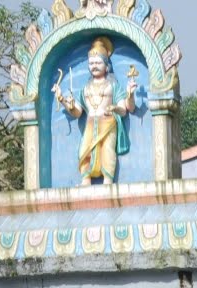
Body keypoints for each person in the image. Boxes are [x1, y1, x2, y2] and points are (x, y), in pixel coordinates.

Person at [52, 36, 138, 185]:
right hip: (91, 123)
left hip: (108, 122)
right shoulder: (86, 87)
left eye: (98, 62)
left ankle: (108, 180)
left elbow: (125, 109)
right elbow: (77, 112)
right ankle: (86, 179)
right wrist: (63, 100)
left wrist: (122, 101)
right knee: (84, 151)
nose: (94, 66)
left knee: (107, 151)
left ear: (106, 65)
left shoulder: (113, 85)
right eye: (91, 63)